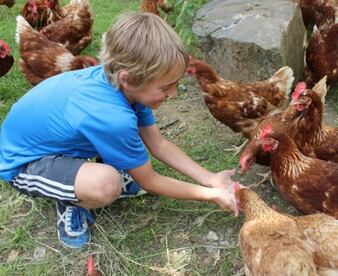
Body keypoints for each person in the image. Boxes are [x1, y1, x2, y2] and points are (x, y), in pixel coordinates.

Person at [0, 12, 238, 249]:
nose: (173, 94)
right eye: (166, 87)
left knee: (118, 162)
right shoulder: (112, 116)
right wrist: (211, 195)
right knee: (106, 185)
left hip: (53, 142)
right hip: (22, 163)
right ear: (128, 78)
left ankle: (75, 175)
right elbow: (150, 180)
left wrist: (210, 179)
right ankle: (70, 201)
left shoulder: (124, 87)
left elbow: (159, 144)